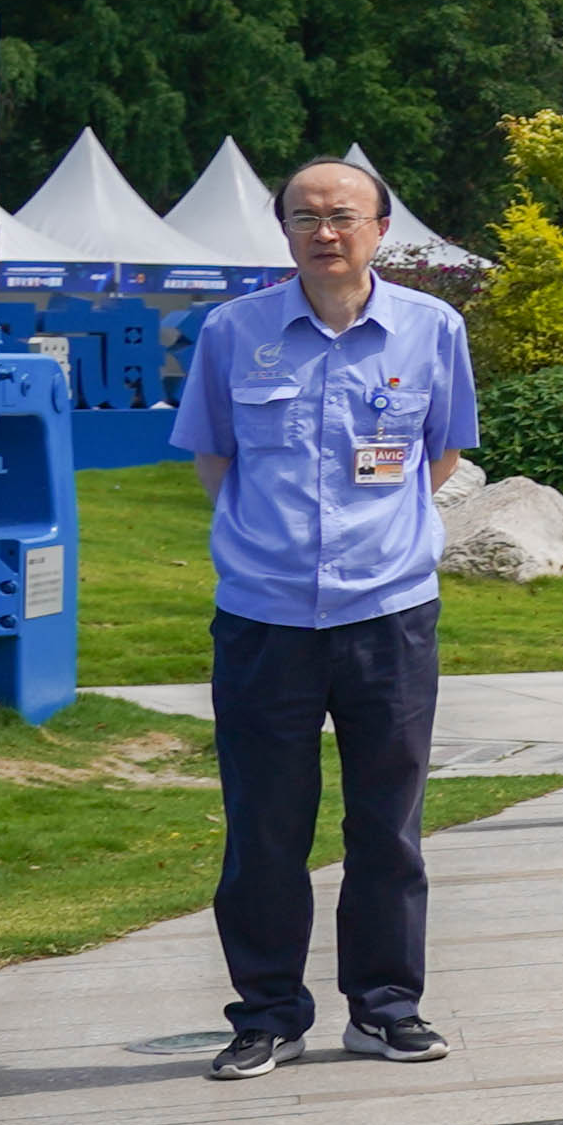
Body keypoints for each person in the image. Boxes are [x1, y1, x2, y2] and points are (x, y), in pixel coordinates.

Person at [177, 157, 477, 1074]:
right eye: (305, 216)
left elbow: (441, 455)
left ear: (382, 227)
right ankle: (268, 1012)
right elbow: (215, 458)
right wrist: (272, 546)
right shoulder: (234, 332)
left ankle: (385, 1005)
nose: (325, 231)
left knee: (387, 821)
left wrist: (376, 542)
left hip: (388, 612)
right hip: (265, 616)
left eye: (344, 214)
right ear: (286, 232)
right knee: (265, 821)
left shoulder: (432, 329)